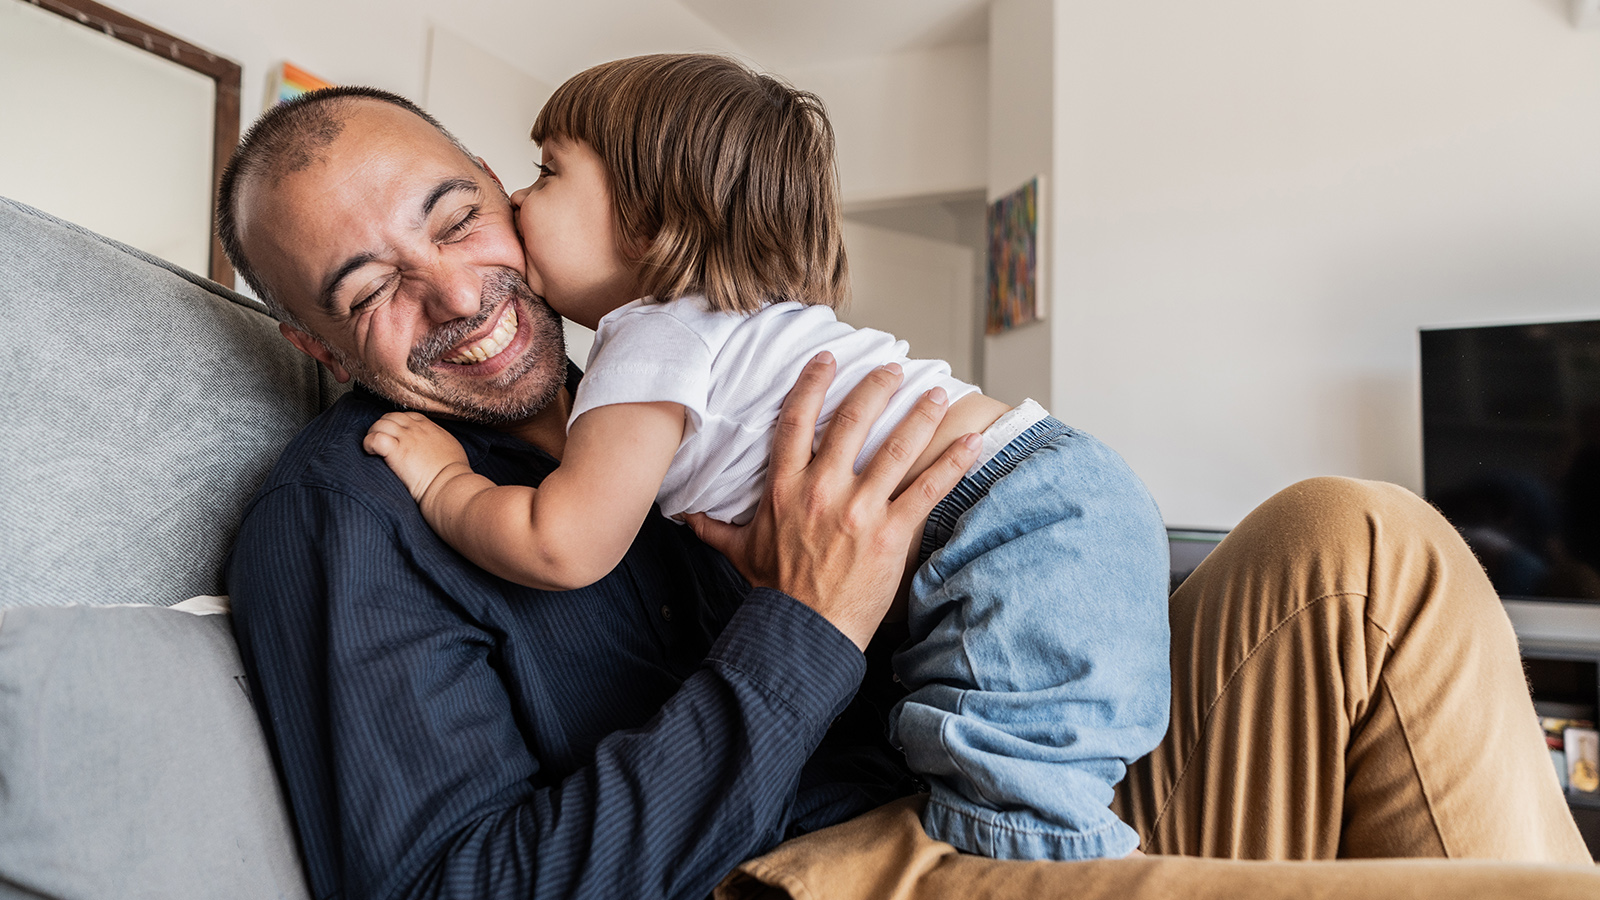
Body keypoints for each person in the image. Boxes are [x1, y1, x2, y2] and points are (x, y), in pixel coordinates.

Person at [217, 85, 1591, 900]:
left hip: (972, 781)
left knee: (1355, 549)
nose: (457, 294)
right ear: (317, 346)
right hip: (808, 870)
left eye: (458, 218)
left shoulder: (652, 389)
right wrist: (805, 622)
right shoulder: (349, 514)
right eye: (371, 290)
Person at [360, 53, 1168, 862]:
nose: (521, 198)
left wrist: (444, 483)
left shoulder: (648, 340)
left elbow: (561, 542)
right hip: (1059, 486)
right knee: (1055, 792)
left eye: (548, 171)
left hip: (993, 532)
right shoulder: (737, 322)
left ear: (647, 217)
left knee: (1009, 830)